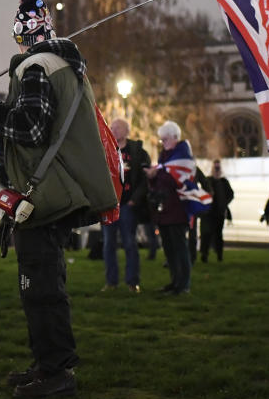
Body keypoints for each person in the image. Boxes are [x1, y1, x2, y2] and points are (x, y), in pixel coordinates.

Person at [0, 0, 117, 399]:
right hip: (55, 192)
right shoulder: (57, 64)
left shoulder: (37, 67)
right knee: (42, 283)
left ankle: (56, 372)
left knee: (41, 287)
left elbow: (31, 129)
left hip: (44, 195)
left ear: (22, 35)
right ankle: (46, 363)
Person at [100, 118, 149, 293]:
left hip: (128, 205)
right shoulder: (105, 151)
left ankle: (132, 282)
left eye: (118, 128)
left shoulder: (136, 152)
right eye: (111, 128)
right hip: (110, 205)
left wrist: (134, 200)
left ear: (127, 131)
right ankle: (111, 282)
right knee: (108, 244)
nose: (114, 130)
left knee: (130, 243)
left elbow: (144, 180)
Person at [145, 121, 194, 296]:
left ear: (175, 137)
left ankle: (183, 284)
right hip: (165, 210)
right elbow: (161, 180)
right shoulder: (165, 157)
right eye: (162, 140)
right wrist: (153, 177)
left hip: (178, 210)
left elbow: (176, 180)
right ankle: (175, 282)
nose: (163, 143)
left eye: (165, 139)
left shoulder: (183, 158)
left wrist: (157, 173)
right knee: (169, 250)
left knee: (180, 249)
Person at [199, 158, 234, 263]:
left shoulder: (223, 182)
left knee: (218, 235)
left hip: (218, 213)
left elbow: (230, 195)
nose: (217, 169)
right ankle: (205, 254)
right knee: (206, 234)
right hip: (209, 213)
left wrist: (223, 204)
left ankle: (219, 254)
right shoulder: (208, 180)